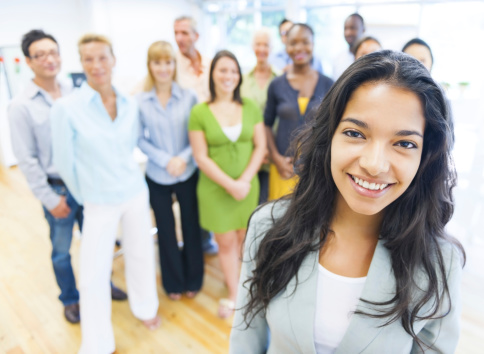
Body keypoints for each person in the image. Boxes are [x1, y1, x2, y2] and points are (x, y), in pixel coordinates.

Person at [230, 50, 465, 353]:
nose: (375, 164)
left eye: (404, 143)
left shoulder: (439, 263)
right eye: (355, 133)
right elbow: (245, 341)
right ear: (329, 137)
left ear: (425, 157)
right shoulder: (268, 227)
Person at [8, 29, 126, 325]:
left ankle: (103, 284)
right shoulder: (21, 105)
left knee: (97, 240)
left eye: (53, 52)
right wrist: (49, 199)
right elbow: (26, 159)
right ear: (29, 62)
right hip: (57, 188)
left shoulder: (76, 91)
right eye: (40, 55)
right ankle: (71, 299)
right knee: (62, 250)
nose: (49, 59)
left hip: (87, 182)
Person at [51, 34, 160, 353]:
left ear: (113, 60)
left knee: (140, 255)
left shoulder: (129, 103)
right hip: (98, 200)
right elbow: (64, 162)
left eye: (102, 57)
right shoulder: (66, 108)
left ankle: (146, 308)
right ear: (81, 63)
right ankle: (97, 342)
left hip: (134, 192)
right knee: (93, 274)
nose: (96, 65)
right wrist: (86, 195)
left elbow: (130, 147)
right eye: (88, 59)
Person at [188, 50, 266, 318]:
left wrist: (243, 181)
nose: (228, 76)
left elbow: (260, 147)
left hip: (247, 187)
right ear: (212, 75)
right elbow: (200, 157)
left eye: (233, 71)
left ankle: (246, 287)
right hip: (215, 190)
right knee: (225, 242)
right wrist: (230, 185)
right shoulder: (199, 112)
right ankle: (235, 294)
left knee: (245, 239)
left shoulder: (250, 107)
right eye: (222, 70)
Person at [137, 41, 203, 301]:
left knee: (190, 227)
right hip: (157, 174)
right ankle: (173, 283)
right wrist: (166, 160)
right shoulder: (140, 101)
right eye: (157, 62)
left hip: (186, 172)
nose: (163, 68)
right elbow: (139, 139)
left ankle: (193, 279)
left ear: (175, 65)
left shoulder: (189, 97)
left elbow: (196, 135)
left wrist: (182, 159)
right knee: (165, 230)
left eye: (168, 62)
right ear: (150, 66)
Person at [265, 23, 333, 200]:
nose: (299, 48)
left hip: (316, 170)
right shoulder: (276, 85)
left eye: (305, 42)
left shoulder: (328, 84)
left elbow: (332, 127)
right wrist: (276, 158)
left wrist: (318, 161)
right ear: (286, 46)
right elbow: (266, 124)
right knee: (278, 221)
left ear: (313, 44)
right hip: (283, 168)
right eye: (293, 43)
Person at [174, 15, 218, 255]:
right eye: (176, 33)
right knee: (196, 193)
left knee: (212, 189)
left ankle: (212, 234)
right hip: (189, 140)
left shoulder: (210, 63)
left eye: (184, 33)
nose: (179, 38)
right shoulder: (173, 67)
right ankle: (201, 241)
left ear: (196, 36)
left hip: (215, 136)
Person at [241, 28, 279, 204]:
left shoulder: (281, 78)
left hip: (275, 151)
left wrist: (268, 149)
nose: (262, 49)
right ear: (252, 47)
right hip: (249, 152)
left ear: (272, 48)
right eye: (258, 44)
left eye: (266, 45)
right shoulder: (242, 79)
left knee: (271, 203)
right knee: (251, 203)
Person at [333, 13, 365, 80]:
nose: (348, 33)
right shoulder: (339, 59)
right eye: (345, 28)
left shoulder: (371, 57)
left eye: (352, 28)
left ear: (363, 30)